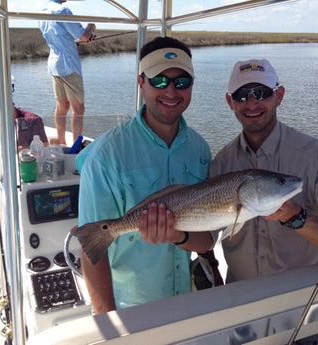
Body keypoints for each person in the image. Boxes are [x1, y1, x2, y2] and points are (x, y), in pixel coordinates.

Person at [76, 36, 218, 314]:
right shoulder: (106, 155)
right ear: (141, 84)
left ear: (191, 86)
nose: (171, 92)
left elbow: (205, 238)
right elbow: (92, 248)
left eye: (181, 82)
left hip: (186, 301)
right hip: (133, 307)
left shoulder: (200, 149)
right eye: (159, 81)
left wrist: (177, 235)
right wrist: (108, 322)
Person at [210, 58, 318, 284]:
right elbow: (206, 236)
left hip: (302, 297)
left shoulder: (317, 156)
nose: (252, 103)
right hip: (240, 294)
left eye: (262, 93)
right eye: (241, 95)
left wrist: (297, 217)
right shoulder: (220, 164)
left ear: (279, 95)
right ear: (229, 102)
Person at [39, 0, 96, 144]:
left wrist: (75, 40)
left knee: (61, 106)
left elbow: (60, 37)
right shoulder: (63, 11)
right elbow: (84, 36)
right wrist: (91, 27)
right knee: (78, 108)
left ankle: (62, 143)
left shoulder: (43, 12)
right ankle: (75, 148)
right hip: (69, 66)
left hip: (55, 65)